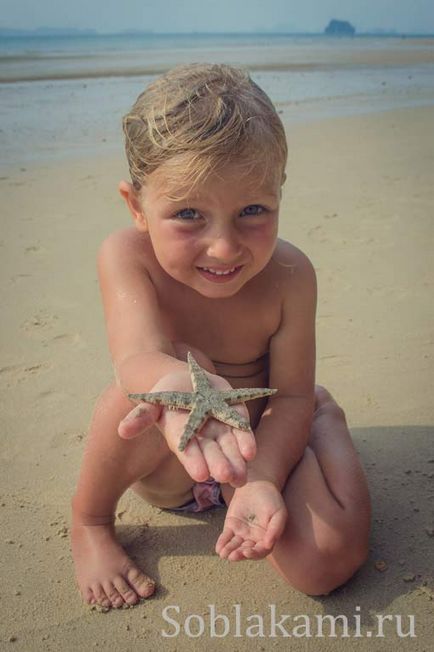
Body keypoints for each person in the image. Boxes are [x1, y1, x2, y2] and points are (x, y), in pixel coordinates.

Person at [71, 63, 371, 610]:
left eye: (252, 211)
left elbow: (291, 395)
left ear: (279, 193)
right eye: (188, 214)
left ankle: (329, 425)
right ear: (137, 207)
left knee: (325, 564)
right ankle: (89, 522)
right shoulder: (125, 256)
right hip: (172, 447)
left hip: (266, 437)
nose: (225, 248)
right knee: (140, 391)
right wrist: (183, 393)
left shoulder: (290, 276)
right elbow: (136, 353)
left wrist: (260, 477)